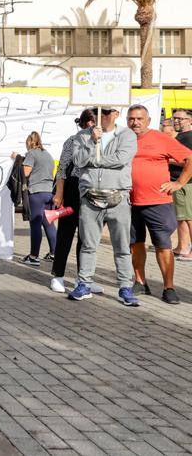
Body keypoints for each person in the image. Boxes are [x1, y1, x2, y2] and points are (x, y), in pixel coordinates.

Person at [68, 107, 139, 305]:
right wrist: (92, 141)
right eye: (98, 111)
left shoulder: (126, 135)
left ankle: (125, 287)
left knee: (122, 246)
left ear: (116, 113)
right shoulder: (82, 135)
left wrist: (95, 160)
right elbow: (78, 160)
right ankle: (84, 283)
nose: (102, 115)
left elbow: (121, 160)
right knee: (88, 245)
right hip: (90, 198)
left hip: (118, 198)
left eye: (107, 111)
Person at [127, 104, 192, 304]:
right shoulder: (123, 139)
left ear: (147, 120)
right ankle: (140, 281)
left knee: (163, 245)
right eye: (131, 119)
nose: (135, 122)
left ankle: (168, 287)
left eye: (139, 118)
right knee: (135, 244)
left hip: (158, 202)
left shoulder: (160, 138)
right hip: (129, 202)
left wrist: (179, 183)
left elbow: (189, 158)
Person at [49, 109, 101, 294]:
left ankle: (83, 277)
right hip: (74, 187)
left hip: (94, 190)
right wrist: (59, 193)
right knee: (66, 233)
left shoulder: (106, 140)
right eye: (96, 120)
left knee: (87, 236)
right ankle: (58, 275)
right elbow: (62, 168)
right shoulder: (73, 140)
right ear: (89, 123)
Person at [19, 132, 58, 267]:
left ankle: (34, 257)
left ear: (29, 142)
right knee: (48, 224)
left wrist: (18, 160)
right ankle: (54, 254)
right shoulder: (47, 154)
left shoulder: (31, 153)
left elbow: (26, 172)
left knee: (35, 225)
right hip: (48, 193)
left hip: (36, 193)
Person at [168, 109, 192, 261]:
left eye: (180, 119)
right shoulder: (181, 136)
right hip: (179, 181)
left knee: (189, 218)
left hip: (185, 182)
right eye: (174, 118)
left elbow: (187, 160)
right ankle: (181, 246)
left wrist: (164, 158)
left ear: (189, 120)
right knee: (181, 217)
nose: (176, 121)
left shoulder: (189, 137)